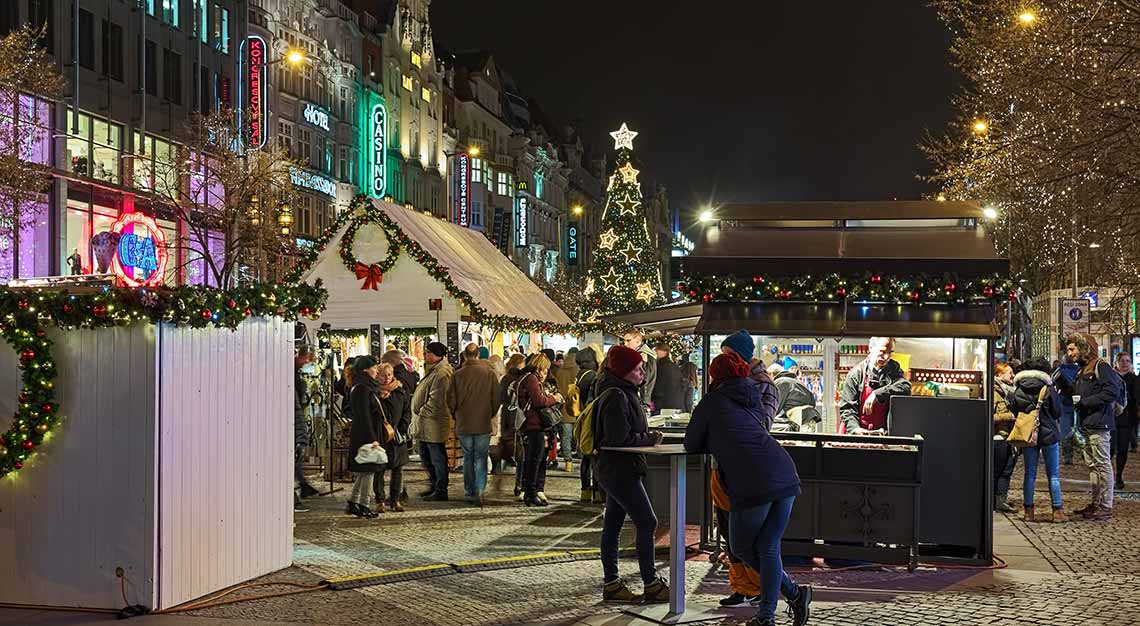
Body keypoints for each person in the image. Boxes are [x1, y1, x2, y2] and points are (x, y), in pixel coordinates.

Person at [684, 352, 811, 626]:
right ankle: (768, 615)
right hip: (784, 472)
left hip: (752, 480)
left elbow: (691, 442)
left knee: (742, 547)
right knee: (767, 547)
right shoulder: (753, 396)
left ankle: (794, 594)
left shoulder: (711, 401)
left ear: (714, 376)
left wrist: (716, 440)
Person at [593, 344, 669, 604]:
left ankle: (613, 584)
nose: (642, 374)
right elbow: (617, 438)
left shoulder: (621, 391)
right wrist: (650, 438)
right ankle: (651, 583)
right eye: (637, 369)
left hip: (618, 468)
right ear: (624, 371)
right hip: (619, 469)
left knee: (612, 525)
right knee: (647, 521)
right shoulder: (616, 395)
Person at [1054, 333, 1119, 521]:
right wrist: (1063, 384)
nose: (1069, 352)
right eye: (1068, 349)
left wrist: (1086, 401)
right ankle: (1096, 503)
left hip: (1099, 424)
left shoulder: (1101, 366)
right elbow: (1074, 395)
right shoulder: (1081, 370)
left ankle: (1106, 505)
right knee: (1093, 466)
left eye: (1072, 348)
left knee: (1102, 464)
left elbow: (1111, 392)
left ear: (1084, 348)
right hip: (1086, 424)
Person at [1008, 358, 1066, 523]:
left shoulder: (1018, 389)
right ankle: (1057, 511)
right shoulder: (1048, 389)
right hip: (1049, 435)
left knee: (1030, 474)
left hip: (1027, 434)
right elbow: (1057, 412)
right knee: (1053, 474)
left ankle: (1028, 512)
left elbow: (1014, 410)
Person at [449, 349, 502, 506]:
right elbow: (497, 398)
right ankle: (480, 489)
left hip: (464, 422)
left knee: (468, 458)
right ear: (478, 355)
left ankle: (469, 491)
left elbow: (450, 399)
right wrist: (490, 413)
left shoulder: (457, 375)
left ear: (464, 356)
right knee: (480, 457)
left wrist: (456, 414)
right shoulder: (489, 374)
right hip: (483, 422)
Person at [516, 353, 563, 506]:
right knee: (533, 460)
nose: (546, 372)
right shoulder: (531, 379)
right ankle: (530, 493)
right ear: (540, 367)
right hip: (534, 424)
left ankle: (531, 492)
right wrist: (554, 398)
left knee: (533, 459)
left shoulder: (526, 377)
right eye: (545, 369)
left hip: (532, 424)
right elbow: (539, 401)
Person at [839, 336, 911, 434]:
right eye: (883, 351)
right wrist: (855, 429)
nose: (886, 357)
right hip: (857, 433)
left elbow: (905, 388)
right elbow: (847, 409)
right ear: (871, 348)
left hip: (882, 433)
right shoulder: (855, 374)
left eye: (890, 353)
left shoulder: (893, 369)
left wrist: (877, 394)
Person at [412, 342, 454, 501]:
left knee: (437, 458)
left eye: (428, 352)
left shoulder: (441, 373)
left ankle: (441, 489)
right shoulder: (433, 371)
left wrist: (422, 412)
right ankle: (434, 485)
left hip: (432, 423)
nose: (425, 354)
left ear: (437, 355)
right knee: (427, 457)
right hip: (425, 423)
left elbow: (437, 400)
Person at [346, 356, 384, 519]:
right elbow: (364, 416)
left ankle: (353, 502)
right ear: (365, 370)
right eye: (374, 367)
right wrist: (372, 438)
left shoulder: (363, 386)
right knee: (369, 471)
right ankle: (364, 504)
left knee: (364, 471)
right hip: (365, 434)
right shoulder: (363, 388)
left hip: (364, 433)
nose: (376, 370)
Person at [720, 330, 779, 430]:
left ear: (743, 356)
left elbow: (763, 426)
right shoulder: (724, 380)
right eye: (723, 355)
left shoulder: (766, 385)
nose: (725, 360)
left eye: (730, 355)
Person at [374, 363, 412, 513]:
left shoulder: (400, 392)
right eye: (383, 375)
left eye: (389, 375)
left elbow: (406, 412)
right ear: (377, 376)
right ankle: (380, 500)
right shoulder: (374, 393)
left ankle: (395, 499)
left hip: (396, 436)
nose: (386, 378)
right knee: (379, 470)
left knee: (398, 470)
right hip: (380, 436)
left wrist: (402, 428)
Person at [574, 344, 604, 502]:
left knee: (585, 457)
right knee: (595, 457)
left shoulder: (579, 373)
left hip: (580, 417)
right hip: (591, 418)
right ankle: (597, 492)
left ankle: (584, 491)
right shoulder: (593, 375)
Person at [991, 363, 1019, 513]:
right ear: (999, 375)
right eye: (1009, 372)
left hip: (1010, 436)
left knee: (1007, 470)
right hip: (998, 437)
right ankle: (992, 500)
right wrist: (1009, 416)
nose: (1013, 375)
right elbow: (988, 416)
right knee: (997, 470)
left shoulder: (1011, 392)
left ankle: (1001, 500)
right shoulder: (994, 392)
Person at [496, 353, 527, 488]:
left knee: (507, 438)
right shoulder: (522, 379)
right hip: (518, 414)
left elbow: (501, 397)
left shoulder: (505, 379)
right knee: (519, 444)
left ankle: (502, 459)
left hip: (506, 413)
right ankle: (519, 479)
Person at [294, 346, 318, 512]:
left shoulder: (295, 373)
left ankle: (302, 487)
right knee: (294, 461)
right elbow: (296, 407)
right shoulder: (293, 374)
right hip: (295, 421)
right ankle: (298, 493)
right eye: (308, 360)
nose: (308, 364)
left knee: (295, 462)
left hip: (296, 419)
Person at [552, 346, 582, 469]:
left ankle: (568, 462)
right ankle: (581, 454)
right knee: (580, 434)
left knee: (566, 436)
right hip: (579, 407)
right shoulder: (579, 370)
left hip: (564, 408)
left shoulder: (560, 371)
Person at [1112, 353, 1137, 490]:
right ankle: (1107, 475)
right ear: (1117, 362)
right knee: (1109, 449)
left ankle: (1119, 476)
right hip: (1111, 418)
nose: (1125, 363)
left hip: (1126, 419)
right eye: (1122, 361)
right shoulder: (1111, 377)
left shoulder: (1134, 379)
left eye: (1128, 361)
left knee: (1122, 449)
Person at [772, 366, 821, 433]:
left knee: (798, 441)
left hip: (799, 417)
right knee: (808, 441)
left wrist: (768, 417)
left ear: (772, 375)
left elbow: (777, 404)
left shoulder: (779, 382)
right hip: (811, 415)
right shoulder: (797, 381)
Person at [620, 331, 658, 411]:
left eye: (628, 340)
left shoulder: (643, 356)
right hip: (639, 400)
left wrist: (643, 402)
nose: (625, 344)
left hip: (640, 402)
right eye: (624, 341)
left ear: (638, 340)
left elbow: (645, 380)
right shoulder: (640, 355)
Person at [651, 343, 686, 413]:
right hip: (675, 402)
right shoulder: (674, 366)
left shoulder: (660, 365)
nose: (655, 351)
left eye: (657, 349)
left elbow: (658, 384)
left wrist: (652, 398)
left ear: (665, 351)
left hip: (662, 402)